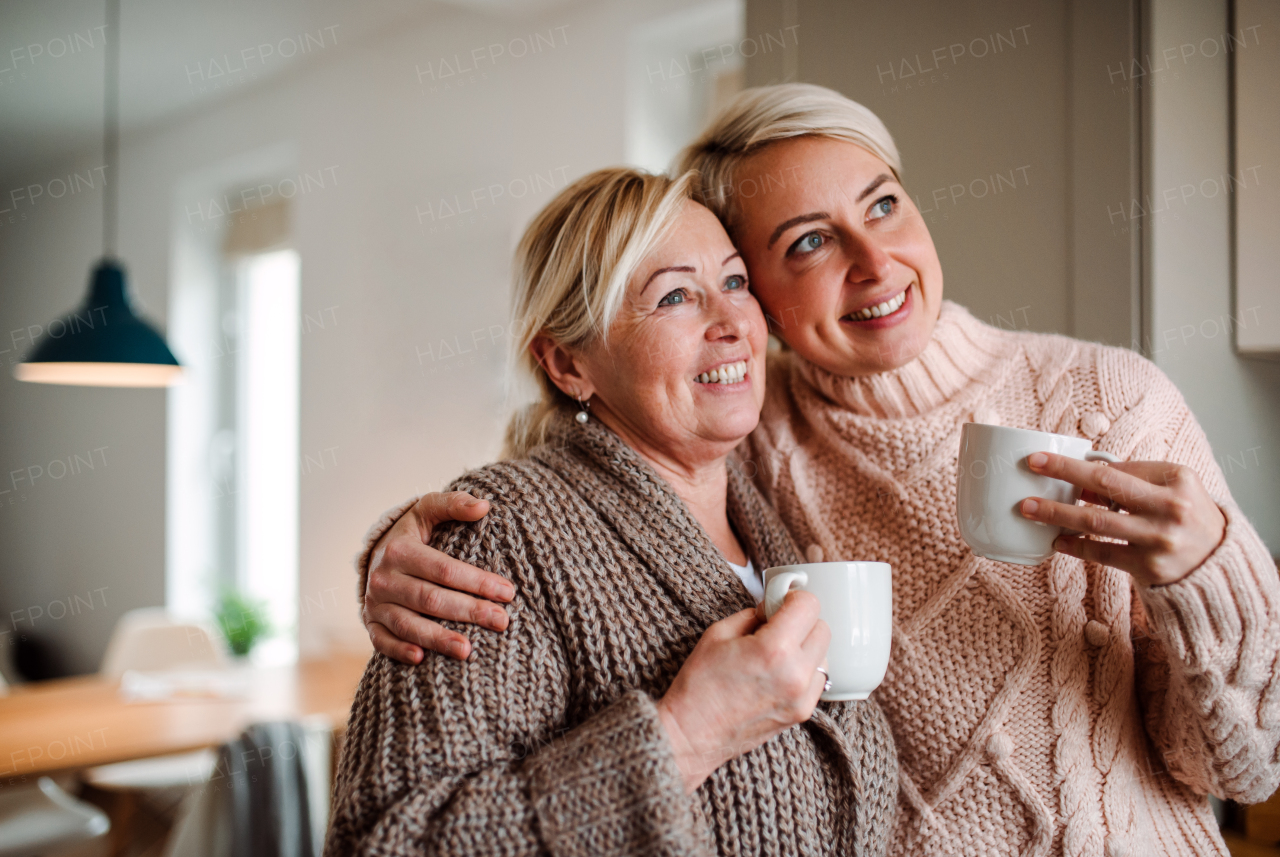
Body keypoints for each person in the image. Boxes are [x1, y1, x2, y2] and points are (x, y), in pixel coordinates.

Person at [357, 84, 1280, 856]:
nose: (876, 262)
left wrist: (1212, 573)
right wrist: (401, 552)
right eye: (807, 241)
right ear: (771, 291)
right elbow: (581, 489)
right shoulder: (753, 434)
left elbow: (1242, 769)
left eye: (883, 204)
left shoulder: (1108, 398)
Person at [325, 167, 899, 857]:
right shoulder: (499, 541)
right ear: (568, 363)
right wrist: (684, 736)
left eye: (736, 282)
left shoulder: (773, 514)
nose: (731, 323)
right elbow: (386, 843)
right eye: (677, 295)